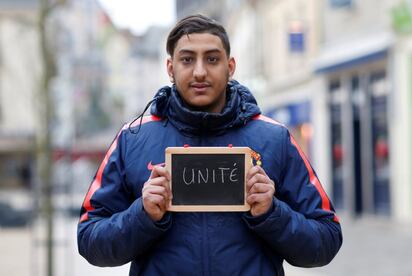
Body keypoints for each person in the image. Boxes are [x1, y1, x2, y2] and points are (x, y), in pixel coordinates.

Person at [77, 14, 342, 275]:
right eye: (187, 59)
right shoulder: (133, 139)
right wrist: (142, 215)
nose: (200, 71)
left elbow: (326, 240)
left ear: (231, 66)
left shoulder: (274, 138)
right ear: (171, 68)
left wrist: (272, 213)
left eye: (212, 59)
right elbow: (90, 240)